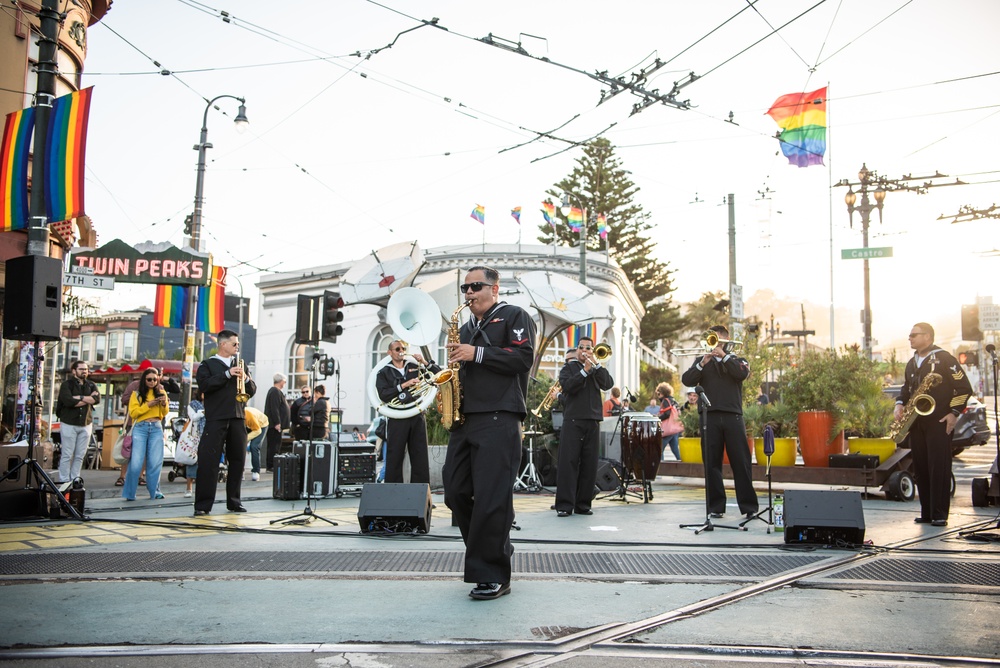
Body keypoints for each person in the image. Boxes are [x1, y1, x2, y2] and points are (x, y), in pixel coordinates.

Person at [442, 265, 535, 601]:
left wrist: (476, 353)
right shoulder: (466, 327)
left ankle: (492, 572)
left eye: (475, 286)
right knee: (454, 491)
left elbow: (523, 358)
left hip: (500, 417)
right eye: (465, 289)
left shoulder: (514, 315)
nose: (469, 294)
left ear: (494, 288)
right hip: (465, 420)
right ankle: (489, 554)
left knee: (492, 499)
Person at [896, 322, 972, 527]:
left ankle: (939, 514)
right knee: (920, 467)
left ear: (927, 337)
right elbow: (906, 388)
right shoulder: (912, 362)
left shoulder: (945, 358)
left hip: (939, 421)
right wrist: (900, 403)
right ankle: (927, 512)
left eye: (914, 335)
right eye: (910, 335)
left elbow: (964, 388)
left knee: (938, 466)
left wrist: (953, 413)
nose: (910, 338)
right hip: (916, 422)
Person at [681, 325, 758, 519]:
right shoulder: (701, 361)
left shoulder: (738, 360)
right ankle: (716, 507)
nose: (714, 343)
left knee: (741, 462)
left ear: (726, 340)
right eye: (711, 339)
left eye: (717, 339)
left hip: (733, 416)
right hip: (709, 417)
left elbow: (741, 374)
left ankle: (748, 507)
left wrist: (723, 355)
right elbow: (687, 379)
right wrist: (702, 364)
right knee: (711, 463)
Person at [193, 329, 257, 516]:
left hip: (237, 417)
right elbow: (205, 386)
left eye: (238, 344)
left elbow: (251, 390)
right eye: (234, 344)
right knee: (209, 462)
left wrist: (245, 379)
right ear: (223, 344)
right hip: (216, 417)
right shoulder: (208, 365)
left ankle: (234, 502)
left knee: (238, 460)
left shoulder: (241, 365)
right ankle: (203, 505)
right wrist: (227, 374)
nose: (237, 347)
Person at [555, 335, 614, 518]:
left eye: (588, 348)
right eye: (581, 347)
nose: (585, 351)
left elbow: (608, 384)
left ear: (593, 350)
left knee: (590, 464)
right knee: (569, 462)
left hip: (593, 420)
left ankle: (583, 504)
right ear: (577, 350)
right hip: (573, 420)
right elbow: (568, 386)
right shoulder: (569, 368)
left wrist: (596, 367)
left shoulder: (597, 369)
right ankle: (565, 505)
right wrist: (584, 371)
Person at [376, 339, 440, 484]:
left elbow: (438, 374)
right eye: (397, 349)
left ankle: (422, 494)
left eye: (403, 348)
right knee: (395, 456)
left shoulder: (414, 365)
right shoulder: (384, 372)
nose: (401, 351)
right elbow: (383, 395)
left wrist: (424, 362)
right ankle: (393, 493)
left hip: (417, 414)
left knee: (420, 456)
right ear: (390, 352)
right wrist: (404, 385)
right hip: (397, 417)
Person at [122, 368, 168, 501]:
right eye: (149, 379)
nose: (152, 382)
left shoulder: (161, 392)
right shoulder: (136, 394)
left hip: (156, 427)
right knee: (136, 462)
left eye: (155, 379)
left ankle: (155, 491)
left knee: (155, 462)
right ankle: (130, 493)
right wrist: (148, 405)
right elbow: (134, 413)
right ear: (144, 380)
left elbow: (164, 412)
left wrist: (164, 403)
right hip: (140, 427)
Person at [56, 360, 100, 483]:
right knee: (67, 454)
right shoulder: (67, 385)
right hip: (69, 423)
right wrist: (88, 399)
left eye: (86, 369)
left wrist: (79, 398)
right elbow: (68, 401)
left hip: (86, 423)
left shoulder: (91, 385)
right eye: (81, 369)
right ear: (74, 371)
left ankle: (75, 479)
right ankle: (64, 481)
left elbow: (97, 399)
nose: (84, 371)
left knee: (80, 455)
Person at [263, 373, 290, 471]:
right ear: (281, 381)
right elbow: (275, 408)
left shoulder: (275, 391)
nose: (285, 383)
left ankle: (271, 464)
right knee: (274, 445)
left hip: (275, 424)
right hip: (275, 425)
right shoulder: (275, 391)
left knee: (274, 445)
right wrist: (277, 422)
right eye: (285, 381)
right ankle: (271, 465)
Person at [182, 392, 205, 498]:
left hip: (208, 435)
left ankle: (203, 489)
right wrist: (202, 413)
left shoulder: (214, 403)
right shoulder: (193, 404)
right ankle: (189, 488)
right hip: (194, 436)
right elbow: (193, 417)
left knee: (206, 463)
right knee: (192, 461)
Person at [656, 382, 681, 460]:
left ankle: (661, 465)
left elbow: (667, 414)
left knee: (659, 448)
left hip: (668, 429)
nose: (658, 396)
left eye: (659, 393)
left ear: (663, 392)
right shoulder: (673, 400)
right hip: (675, 428)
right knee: (675, 449)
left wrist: (658, 418)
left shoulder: (666, 401)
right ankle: (683, 465)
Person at [244, 405, 269, 481]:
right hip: (247, 425)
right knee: (239, 446)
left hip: (261, 425)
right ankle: (240, 471)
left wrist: (246, 439)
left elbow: (257, 430)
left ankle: (256, 471)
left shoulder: (248, 415)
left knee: (254, 446)